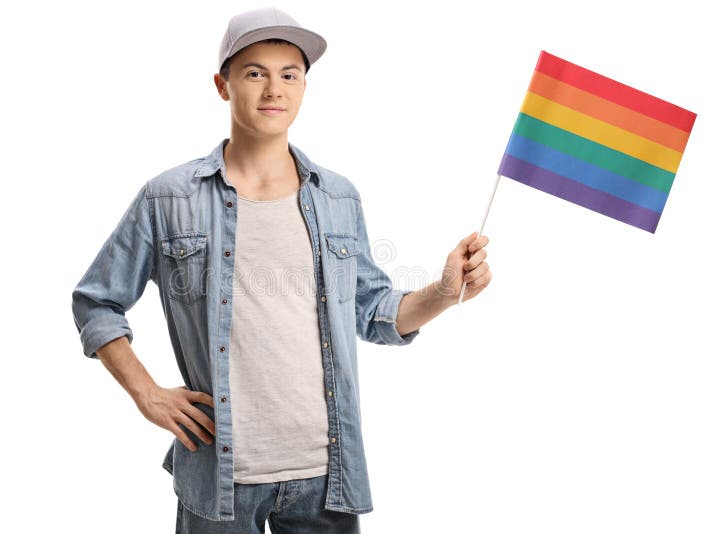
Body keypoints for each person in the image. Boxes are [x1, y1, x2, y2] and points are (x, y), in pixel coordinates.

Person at [71, 7, 492, 533]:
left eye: (289, 74)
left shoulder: (337, 196)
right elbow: (96, 300)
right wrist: (146, 392)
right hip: (220, 475)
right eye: (255, 72)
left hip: (326, 476)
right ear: (223, 85)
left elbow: (374, 313)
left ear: (303, 87)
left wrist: (445, 291)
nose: (275, 88)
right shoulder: (169, 198)